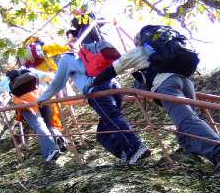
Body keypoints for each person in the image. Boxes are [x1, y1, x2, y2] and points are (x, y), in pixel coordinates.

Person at [84, 26, 220, 174]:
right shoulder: (168, 51)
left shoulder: (140, 51)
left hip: (167, 83)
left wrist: (92, 84)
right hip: (186, 82)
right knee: (187, 124)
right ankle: (194, 150)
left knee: (186, 120)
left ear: (140, 41)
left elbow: (113, 69)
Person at [37, 15, 151, 164]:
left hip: (96, 90)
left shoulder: (67, 58)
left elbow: (57, 83)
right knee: (103, 133)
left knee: (112, 118)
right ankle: (127, 154)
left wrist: (41, 99)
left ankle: (136, 147)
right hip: (113, 85)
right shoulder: (91, 50)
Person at [0, 68, 63, 162]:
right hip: (42, 98)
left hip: (25, 105)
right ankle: (60, 141)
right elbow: (50, 77)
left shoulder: (6, 80)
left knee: (39, 126)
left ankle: (50, 150)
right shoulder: (29, 70)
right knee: (49, 124)